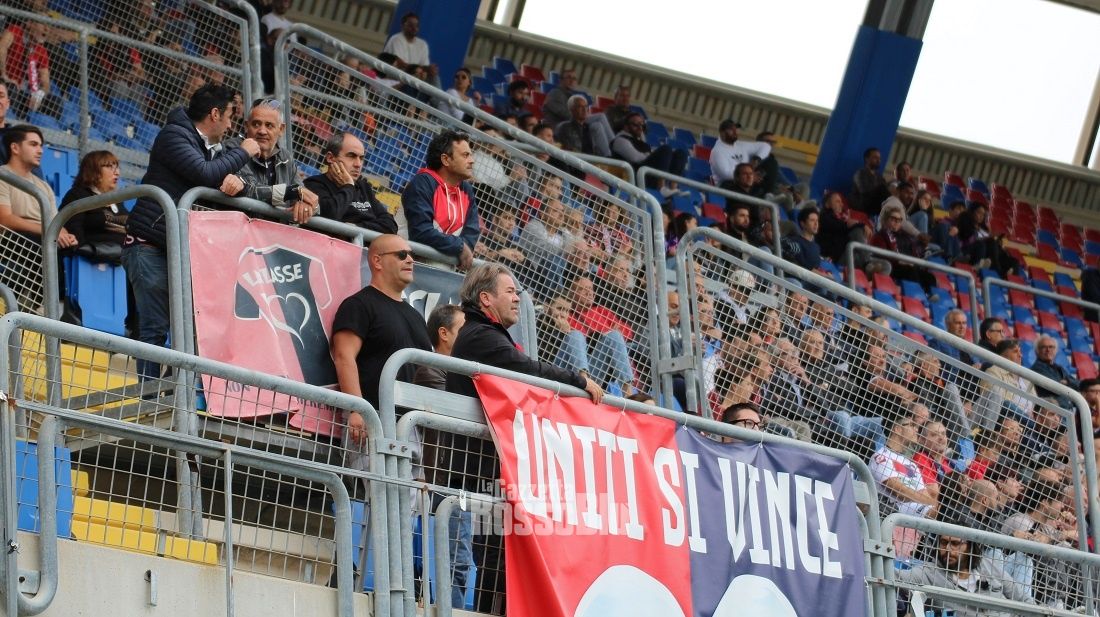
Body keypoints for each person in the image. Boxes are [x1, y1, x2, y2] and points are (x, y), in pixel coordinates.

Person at [446, 263, 603, 613]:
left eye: (517, 292)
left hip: (491, 468)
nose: (518, 298)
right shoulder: (481, 335)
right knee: (495, 559)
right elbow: (527, 369)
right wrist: (577, 380)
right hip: (480, 471)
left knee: (500, 559)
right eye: (510, 292)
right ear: (486, 299)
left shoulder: (486, 333)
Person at [124, 85, 259, 378]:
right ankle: (148, 396)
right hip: (149, 245)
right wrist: (244, 151)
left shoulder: (203, 145)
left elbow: (217, 180)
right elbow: (206, 175)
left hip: (175, 248)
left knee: (187, 326)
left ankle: (175, 392)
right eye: (230, 116)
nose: (231, 125)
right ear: (215, 114)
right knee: (155, 328)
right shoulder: (174, 135)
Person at [331, 234, 432, 415]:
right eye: (401, 255)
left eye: (412, 255)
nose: (410, 260)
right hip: (372, 418)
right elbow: (343, 357)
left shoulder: (416, 316)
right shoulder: (358, 305)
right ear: (377, 261)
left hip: (413, 422)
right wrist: (356, 410)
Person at [0, 124, 76, 308]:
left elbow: (56, 221)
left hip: (39, 239)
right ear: (15, 147)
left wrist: (66, 235)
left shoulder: (43, 187)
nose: (40, 150)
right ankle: (39, 308)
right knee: (46, 244)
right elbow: (5, 219)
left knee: (75, 249)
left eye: (41, 145)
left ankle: (58, 309)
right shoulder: (3, 176)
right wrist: (48, 231)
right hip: (9, 240)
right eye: (33, 144)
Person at [898, 523, 1034, 617]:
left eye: (955, 544)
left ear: (969, 547)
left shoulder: (987, 565)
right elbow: (895, 577)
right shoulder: (929, 573)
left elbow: (1023, 599)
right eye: (944, 543)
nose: (948, 549)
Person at [221, 97, 319, 224]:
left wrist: (306, 205)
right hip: (239, 229)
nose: (262, 131)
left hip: (275, 234)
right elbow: (250, 190)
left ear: (281, 129)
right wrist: (292, 192)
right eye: (256, 124)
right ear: (246, 126)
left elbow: (307, 197)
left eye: (269, 125)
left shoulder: (285, 158)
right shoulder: (233, 148)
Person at [398, 129, 479, 270]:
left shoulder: (466, 190)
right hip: (407, 267)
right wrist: (459, 246)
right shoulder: (422, 183)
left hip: (443, 273)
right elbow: (421, 232)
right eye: (465, 155)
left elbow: (471, 232)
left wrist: (463, 246)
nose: (472, 161)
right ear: (446, 159)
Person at [304, 131, 397, 234]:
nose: (358, 164)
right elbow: (330, 216)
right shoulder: (314, 184)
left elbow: (391, 225)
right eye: (351, 156)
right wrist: (348, 186)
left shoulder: (364, 187)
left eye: (361, 158)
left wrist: (355, 228)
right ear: (330, 158)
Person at [870, 411, 939, 518]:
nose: (916, 429)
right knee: (938, 512)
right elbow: (899, 491)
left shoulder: (911, 464)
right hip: (892, 511)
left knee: (940, 511)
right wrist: (930, 503)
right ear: (897, 429)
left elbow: (924, 493)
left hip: (917, 509)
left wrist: (933, 504)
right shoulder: (881, 457)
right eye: (911, 425)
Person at [0, 20, 60, 119]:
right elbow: (1, 47)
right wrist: (4, 76)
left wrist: (38, 95)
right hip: (6, 84)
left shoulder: (42, 51)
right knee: (10, 88)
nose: (46, 29)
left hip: (24, 93)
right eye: (43, 24)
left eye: (48, 26)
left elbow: (46, 83)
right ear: (29, 24)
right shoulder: (15, 31)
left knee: (55, 102)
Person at [610, 111, 686, 180]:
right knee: (666, 149)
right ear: (626, 127)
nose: (640, 128)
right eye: (636, 125)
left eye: (642, 125)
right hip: (634, 175)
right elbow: (635, 158)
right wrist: (651, 154)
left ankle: (673, 186)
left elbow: (646, 152)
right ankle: (661, 186)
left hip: (646, 172)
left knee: (680, 153)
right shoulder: (620, 140)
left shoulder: (640, 140)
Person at [709, 118, 771, 186]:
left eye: (735, 129)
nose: (735, 132)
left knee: (770, 162)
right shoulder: (717, 151)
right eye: (731, 130)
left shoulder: (741, 145)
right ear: (722, 133)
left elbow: (766, 146)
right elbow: (725, 174)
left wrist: (756, 159)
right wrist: (749, 177)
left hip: (745, 182)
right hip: (727, 185)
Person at [382, 12, 437, 80]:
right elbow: (400, 65)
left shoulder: (423, 44)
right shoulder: (396, 39)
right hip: (395, 77)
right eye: (411, 25)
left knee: (434, 78)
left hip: (414, 77)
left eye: (416, 25)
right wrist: (423, 69)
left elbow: (424, 69)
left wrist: (428, 71)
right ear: (403, 26)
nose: (414, 28)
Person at [1030, 334, 1078, 406]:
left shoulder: (1059, 368)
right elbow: (1057, 388)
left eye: (1051, 347)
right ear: (1037, 351)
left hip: (1067, 408)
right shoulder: (1037, 368)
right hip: (1052, 410)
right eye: (1044, 347)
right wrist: (1069, 383)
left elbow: (1078, 384)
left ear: (1055, 350)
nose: (1048, 350)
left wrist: (1067, 382)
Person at [848, 147, 889, 218]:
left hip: (875, 205)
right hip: (861, 204)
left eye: (879, 158)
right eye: (875, 158)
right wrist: (880, 190)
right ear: (867, 159)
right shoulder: (860, 173)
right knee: (882, 189)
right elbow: (864, 191)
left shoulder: (880, 177)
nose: (878, 160)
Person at [780, 206, 821, 272]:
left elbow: (816, 268)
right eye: (812, 220)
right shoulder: (795, 241)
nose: (816, 224)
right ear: (803, 224)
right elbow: (807, 267)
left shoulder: (817, 247)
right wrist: (826, 276)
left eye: (817, 220)